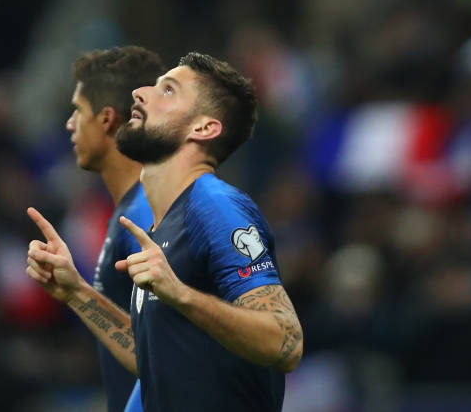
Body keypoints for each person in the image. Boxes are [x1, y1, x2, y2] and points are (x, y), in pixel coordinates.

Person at [26, 52, 303, 412]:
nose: (140, 93)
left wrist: (181, 294)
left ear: (203, 128)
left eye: (167, 91)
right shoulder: (164, 224)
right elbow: (154, 361)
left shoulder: (213, 204)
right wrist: (76, 293)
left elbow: (287, 339)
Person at [62, 46, 163, 412]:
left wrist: (77, 294)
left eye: (78, 111)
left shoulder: (146, 214)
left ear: (106, 119)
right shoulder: (131, 209)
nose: (70, 124)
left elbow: (173, 358)